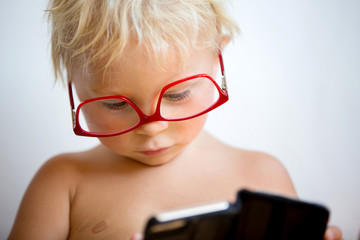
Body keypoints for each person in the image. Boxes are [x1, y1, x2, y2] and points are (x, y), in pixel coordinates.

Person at [8, 0, 342, 239]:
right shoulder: (62, 184)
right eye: (114, 104)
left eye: (177, 95)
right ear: (74, 84)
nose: (153, 126)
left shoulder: (263, 176)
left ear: (216, 59)